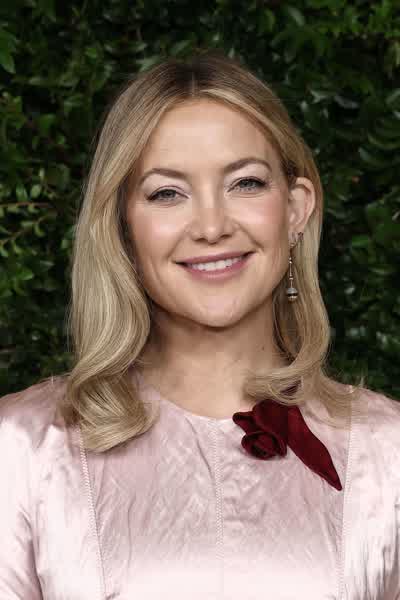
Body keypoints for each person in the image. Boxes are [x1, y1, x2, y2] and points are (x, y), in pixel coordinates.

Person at [0, 49, 399, 599]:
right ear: (122, 227)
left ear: (296, 209)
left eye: (246, 183)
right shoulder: (22, 448)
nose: (211, 226)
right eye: (167, 193)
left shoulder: (388, 452)